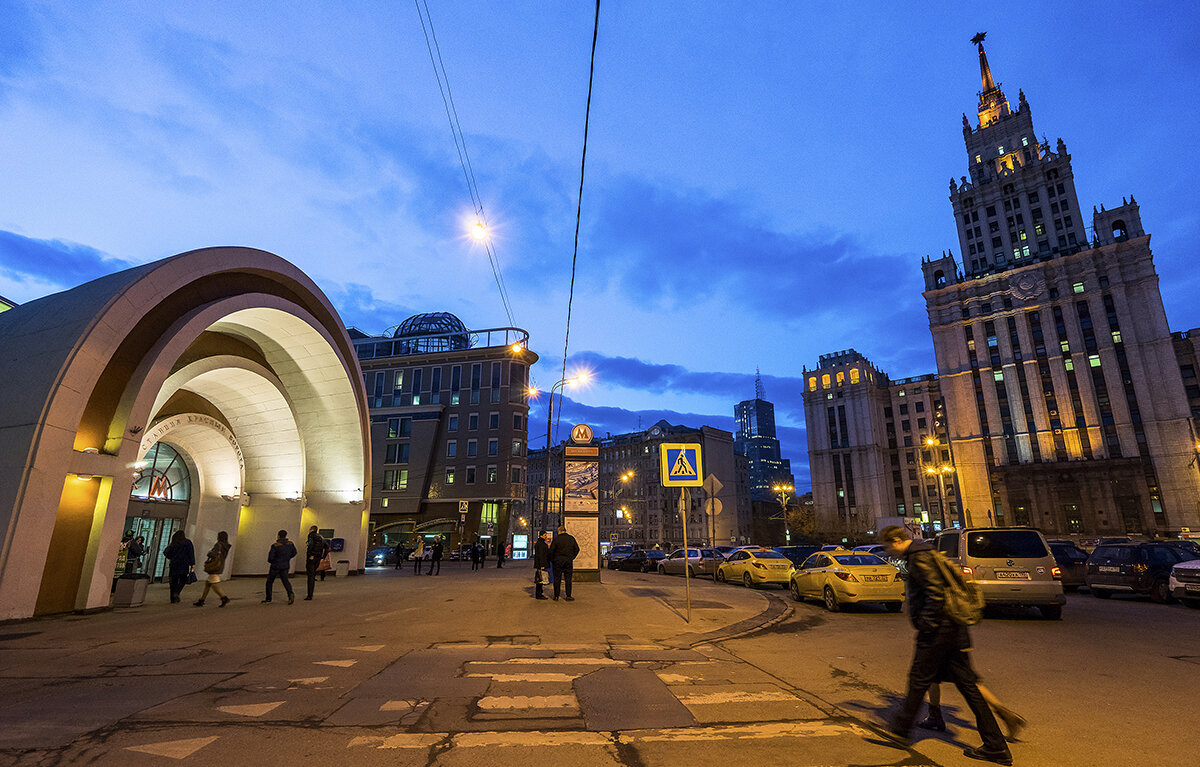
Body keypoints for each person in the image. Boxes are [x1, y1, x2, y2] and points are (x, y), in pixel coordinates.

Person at [879, 525, 1011, 765]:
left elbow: (936, 593)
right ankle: (996, 745)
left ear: (898, 540)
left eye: (889, 546)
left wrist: (926, 626)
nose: (890, 551)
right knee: (968, 687)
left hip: (939, 631)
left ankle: (901, 730)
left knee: (919, 679)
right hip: (953, 629)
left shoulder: (919, 557)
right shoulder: (926, 552)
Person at [194, 531, 231, 607]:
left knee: (214, 584)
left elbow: (213, 554)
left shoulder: (218, 545)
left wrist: (209, 552)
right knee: (208, 584)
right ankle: (202, 600)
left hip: (214, 566)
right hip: (220, 565)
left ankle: (224, 597)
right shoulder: (226, 546)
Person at [263, 529, 297, 604]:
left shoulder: (275, 545)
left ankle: (268, 598)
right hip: (285, 565)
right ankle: (290, 593)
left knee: (269, 582)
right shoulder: (290, 544)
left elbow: (270, 558)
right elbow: (294, 552)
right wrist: (287, 558)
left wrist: (274, 561)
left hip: (275, 566)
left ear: (278, 536)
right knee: (285, 581)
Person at [548, 526, 580, 601]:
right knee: (568, 579)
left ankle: (556, 596)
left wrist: (553, 559)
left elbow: (551, 551)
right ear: (565, 531)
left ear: (559, 531)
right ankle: (568, 596)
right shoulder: (571, 538)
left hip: (557, 561)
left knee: (557, 579)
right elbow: (577, 549)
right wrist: (572, 557)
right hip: (568, 561)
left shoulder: (556, 539)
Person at [163, 530, 195, 603]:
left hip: (174, 564)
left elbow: (166, 552)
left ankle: (172, 599)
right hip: (184, 564)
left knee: (173, 581)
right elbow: (191, 553)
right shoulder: (188, 542)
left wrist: (172, 557)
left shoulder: (174, 543)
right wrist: (192, 563)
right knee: (183, 580)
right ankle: (177, 592)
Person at [303, 525, 329, 601]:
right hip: (318, 558)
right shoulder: (321, 536)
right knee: (313, 574)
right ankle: (310, 594)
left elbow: (310, 544)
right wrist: (323, 557)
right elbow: (327, 546)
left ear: (311, 529)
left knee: (310, 576)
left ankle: (309, 595)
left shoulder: (311, 535)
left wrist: (310, 554)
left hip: (312, 557)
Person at [533, 530, 551, 600]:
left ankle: (539, 593)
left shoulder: (539, 543)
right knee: (540, 579)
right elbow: (541, 555)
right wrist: (542, 564)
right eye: (545, 535)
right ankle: (539, 594)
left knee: (540, 578)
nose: (546, 537)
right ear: (541, 535)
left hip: (539, 564)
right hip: (541, 564)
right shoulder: (541, 544)